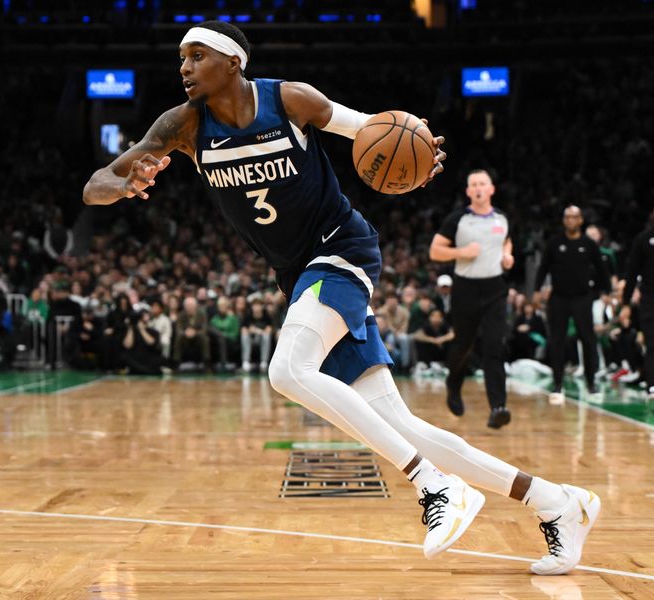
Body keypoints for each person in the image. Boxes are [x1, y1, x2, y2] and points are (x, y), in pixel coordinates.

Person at [83, 21, 599, 572]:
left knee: (286, 371)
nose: (183, 67)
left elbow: (373, 131)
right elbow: (96, 184)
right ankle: (558, 503)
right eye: (181, 58)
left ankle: (434, 487)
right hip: (298, 276)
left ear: (233, 62)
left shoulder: (290, 100)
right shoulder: (182, 125)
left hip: (341, 250)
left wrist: (419, 153)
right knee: (404, 427)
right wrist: (127, 183)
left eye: (196, 56)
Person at [429, 169, 513, 429]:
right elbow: (435, 251)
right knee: (463, 346)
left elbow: (506, 241)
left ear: (491, 189)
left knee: (494, 347)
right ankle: (453, 386)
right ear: (468, 192)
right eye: (473, 184)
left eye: (482, 184)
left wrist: (508, 255)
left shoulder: (502, 218)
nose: (478, 188)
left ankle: (498, 407)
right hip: (465, 289)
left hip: (495, 290)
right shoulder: (458, 219)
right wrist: (461, 252)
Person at [533, 205, 610, 403]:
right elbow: (543, 267)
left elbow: (601, 269)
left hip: (582, 298)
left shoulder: (589, 244)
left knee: (588, 339)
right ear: (563, 220)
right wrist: (536, 290)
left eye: (574, 217)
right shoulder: (555, 242)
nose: (570, 220)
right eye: (567, 217)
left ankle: (591, 384)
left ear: (580, 220)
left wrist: (606, 291)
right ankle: (557, 385)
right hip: (558, 298)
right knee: (557, 341)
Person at [622, 209, 654, 397]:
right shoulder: (643, 240)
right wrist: (626, 303)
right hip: (650, 300)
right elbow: (631, 272)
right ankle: (652, 384)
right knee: (652, 344)